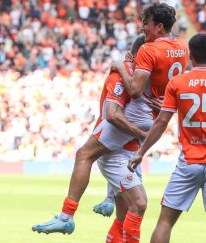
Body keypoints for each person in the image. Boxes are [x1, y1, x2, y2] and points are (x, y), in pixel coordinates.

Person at [128, 33, 206, 243]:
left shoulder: (177, 82)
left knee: (165, 222)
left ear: (190, 57)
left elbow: (161, 122)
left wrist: (141, 153)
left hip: (188, 161)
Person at [31, 37, 148, 242]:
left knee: (125, 215)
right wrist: (143, 134)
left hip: (127, 150)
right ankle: (67, 214)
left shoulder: (145, 80)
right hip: (117, 150)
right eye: (148, 57)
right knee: (137, 204)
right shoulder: (121, 74)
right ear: (135, 56)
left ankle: (72, 214)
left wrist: (110, 196)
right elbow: (112, 117)